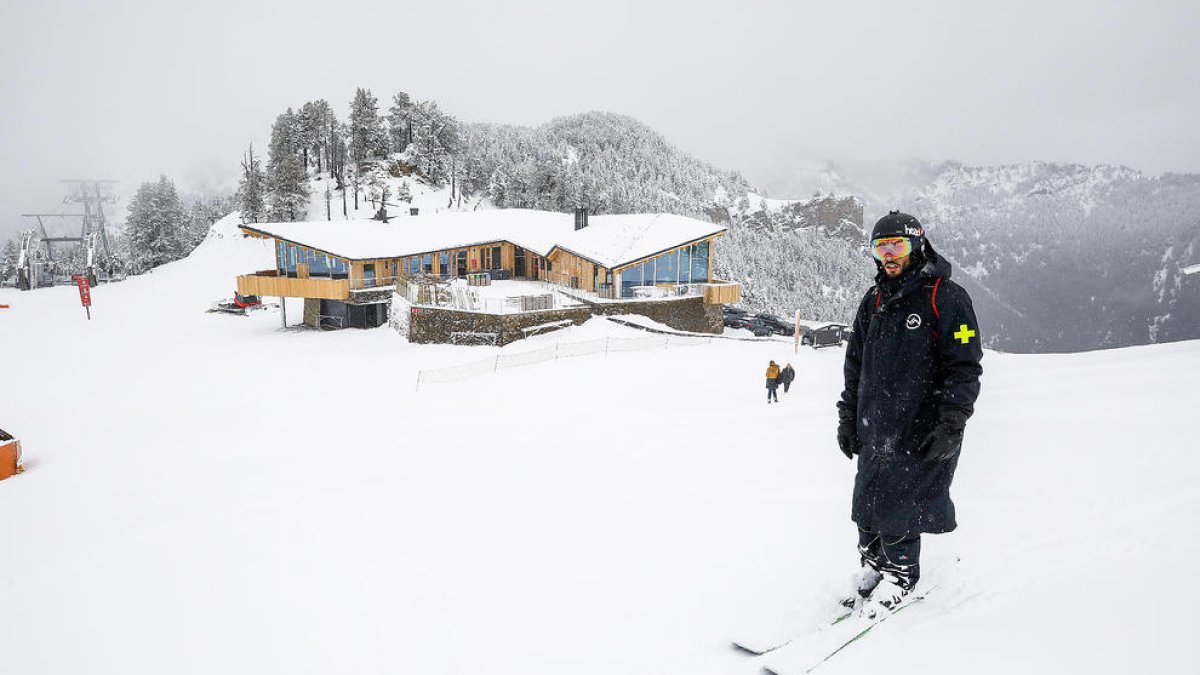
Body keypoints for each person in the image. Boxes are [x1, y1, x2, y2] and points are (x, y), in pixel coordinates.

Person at [836, 210, 983, 616]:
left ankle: (901, 575)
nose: (888, 255)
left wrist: (952, 423)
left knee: (900, 504)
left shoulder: (946, 298)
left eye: (896, 246)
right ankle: (873, 565)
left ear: (916, 244)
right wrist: (848, 418)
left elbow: (964, 367)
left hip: (922, 427)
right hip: (875, 425)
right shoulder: (874, 300)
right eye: (880, 247)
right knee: (866, 503)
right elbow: (855, 366)